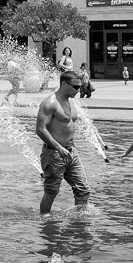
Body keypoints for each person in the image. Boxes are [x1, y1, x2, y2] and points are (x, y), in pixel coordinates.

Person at [35, 71, 92, 215]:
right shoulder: (50, 103)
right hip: (54, 153)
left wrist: (73, 149)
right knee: (51, 191)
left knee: (83, 190)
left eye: (80, 87)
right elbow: (40, 130)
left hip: (71, 152)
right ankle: (45, 220)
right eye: (75, 87)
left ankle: (79, 221)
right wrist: (58, 148)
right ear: (64, 84)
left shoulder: (70, 102)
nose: (78, 90)